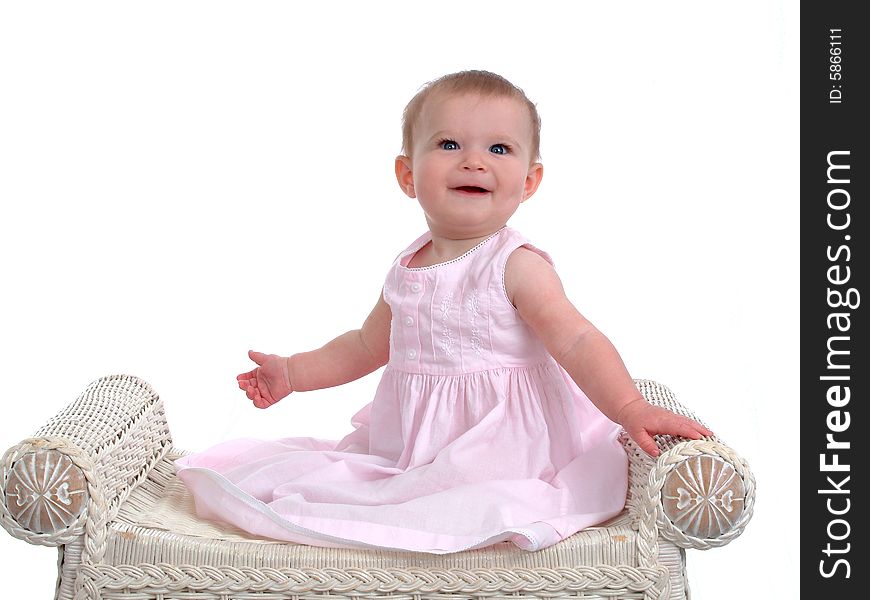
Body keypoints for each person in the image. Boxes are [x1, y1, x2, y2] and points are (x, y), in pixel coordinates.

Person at [175, 69, 712, 554]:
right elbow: (366, 345)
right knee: (343, 485)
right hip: (413, 443)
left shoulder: (516, 265)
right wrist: (294, 372)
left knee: (471, 502)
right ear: (408, 175)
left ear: (529, 182)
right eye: (449, 143)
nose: (474, 160)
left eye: (500, 148)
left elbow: (575, 340)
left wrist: (629, 407)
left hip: (500, 447)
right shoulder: (406, 269)